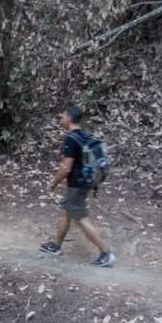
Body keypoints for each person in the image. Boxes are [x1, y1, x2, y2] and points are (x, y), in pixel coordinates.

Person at [40, 106, 115, 267]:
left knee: (80, 219)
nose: (61, 118)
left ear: (69, 118)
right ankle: (56, 246)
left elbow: (66, 167)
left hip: (77, 185)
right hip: (85, 182)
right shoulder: (86, 135)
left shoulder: (71, 139)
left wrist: (53, 183)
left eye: (63, 115)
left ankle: (105, 253)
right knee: (65, 213)